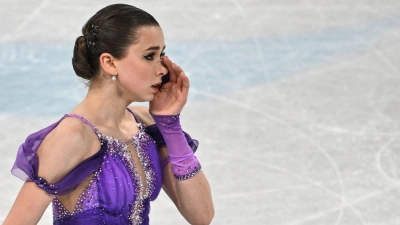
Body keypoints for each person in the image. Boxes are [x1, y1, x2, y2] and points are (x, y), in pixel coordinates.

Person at [3, 4, 214, 225]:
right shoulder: (72, 137)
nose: (162, 69)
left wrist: (169, 125)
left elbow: (202, 216)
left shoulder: (146, 125)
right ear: (110, 63)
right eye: (149, 56)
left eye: (161, 54)